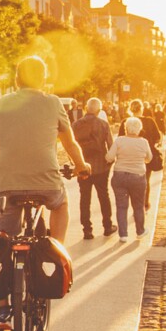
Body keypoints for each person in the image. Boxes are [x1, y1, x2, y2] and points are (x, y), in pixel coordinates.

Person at [0, 56, 90, 331]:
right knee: (61, 204)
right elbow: (70, 144)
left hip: (7, 183)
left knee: (5, 241)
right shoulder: (53, 103)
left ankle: (3, 309)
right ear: (43, 79)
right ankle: (56, 252)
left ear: (17, 78)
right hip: (46, 182)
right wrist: (82, 167)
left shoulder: (4, 103)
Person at [70, 98, 113, 239]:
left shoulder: (76, 125)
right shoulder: (103, 124)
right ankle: (107, 226)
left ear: (86, 109)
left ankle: (87, 230)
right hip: (100, 167)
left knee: (85, 198)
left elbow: (70, 146)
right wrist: (109, 163)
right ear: (99, 110)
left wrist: (76, 163)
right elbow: (110, 146)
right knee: (103, 196)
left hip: (82, 166)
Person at [110, 117, 153, 239]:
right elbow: (149, 158)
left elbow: (109, 157)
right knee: (138, 205)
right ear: (139, 129)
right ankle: (140, 231)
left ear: (126, 128)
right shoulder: (144, 142)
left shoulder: (119, 140)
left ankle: (123, 234)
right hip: (137, 177)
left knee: (121, 206)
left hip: (119, 176)